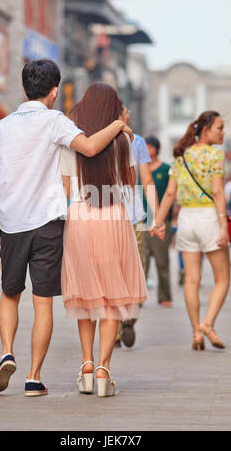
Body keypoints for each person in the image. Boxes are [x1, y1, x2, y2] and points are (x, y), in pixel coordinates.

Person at [0, 60, 131, 397]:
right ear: (55, 91)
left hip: (12, 223)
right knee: (42, 302)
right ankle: (34, 377)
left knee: (9, 294)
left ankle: (6, 352)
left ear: (23, 89)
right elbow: (90, 148)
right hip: (47, 223)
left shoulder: (0, 127)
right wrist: (118, 124)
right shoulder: (55, 121)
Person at [60, 83, 148, 397]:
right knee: (112, 296)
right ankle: (103, 371)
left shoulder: (70, 138)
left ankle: (85, 364)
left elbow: (66, 187)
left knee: (85, 297)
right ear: (112, 109)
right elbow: (130, 181)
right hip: (113, 218)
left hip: (81, 217)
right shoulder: (124, 138)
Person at [153, 111, 230, 350]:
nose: (223, 132)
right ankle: (208, 323)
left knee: (191, 280)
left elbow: (169, 194)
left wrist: (157, 222)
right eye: (219, 128)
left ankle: (196, 333)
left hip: (185, 219)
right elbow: (217, 193)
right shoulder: (214, 155)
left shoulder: (181, 157)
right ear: (205, 130)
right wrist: (224, 226)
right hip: (208, 217)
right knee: (222, 278)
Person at [115, 100, 163, 348]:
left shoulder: (137, 142)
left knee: (125, 269)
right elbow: (146, 180)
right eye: (126, 111)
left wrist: (156, 215)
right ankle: (121, 323)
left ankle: (123, 322)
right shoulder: (102, 140)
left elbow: (146, 180)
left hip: (122, 217)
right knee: (126, 270)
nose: (129, 113)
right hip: (120, 218)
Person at [143, 136, 173, 307]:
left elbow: (171, 195)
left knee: (162, 261)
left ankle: (165, 296)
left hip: (161, 221)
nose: (146, 149)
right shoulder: (140, 168)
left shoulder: (166, 169)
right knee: (141, 261)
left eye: (149, 146)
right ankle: (138, 297)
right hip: (142, 220)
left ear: (156, 148)